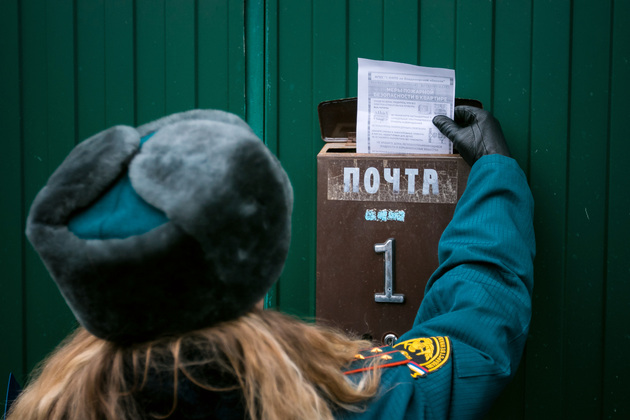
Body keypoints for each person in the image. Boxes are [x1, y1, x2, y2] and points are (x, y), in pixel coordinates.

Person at [7, 105, 534, 420]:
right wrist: (494, 171)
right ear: (258, 274)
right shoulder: (336, 399)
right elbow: (475, 339)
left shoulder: (43, 407)